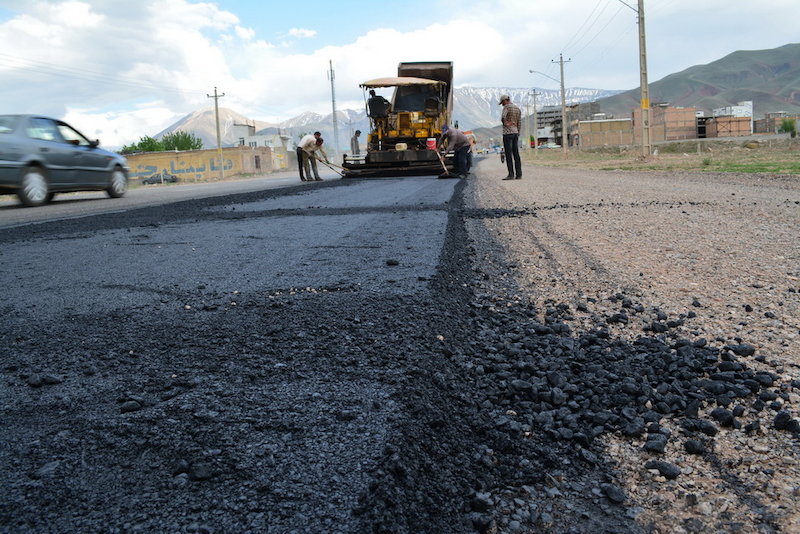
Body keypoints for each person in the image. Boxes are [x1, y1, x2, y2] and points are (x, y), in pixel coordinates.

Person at [499, 94, 522, 180]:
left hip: (507, 133)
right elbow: (519, 122)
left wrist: (505, 123)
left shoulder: (506, 107)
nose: (502, 104)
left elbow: (503, 117)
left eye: (502, 103)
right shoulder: (517, 108)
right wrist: (518, 132)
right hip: (515, 132)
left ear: (505, 100)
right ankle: (519, 174)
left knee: (508, 155)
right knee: (516, 154)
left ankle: (511, 174)